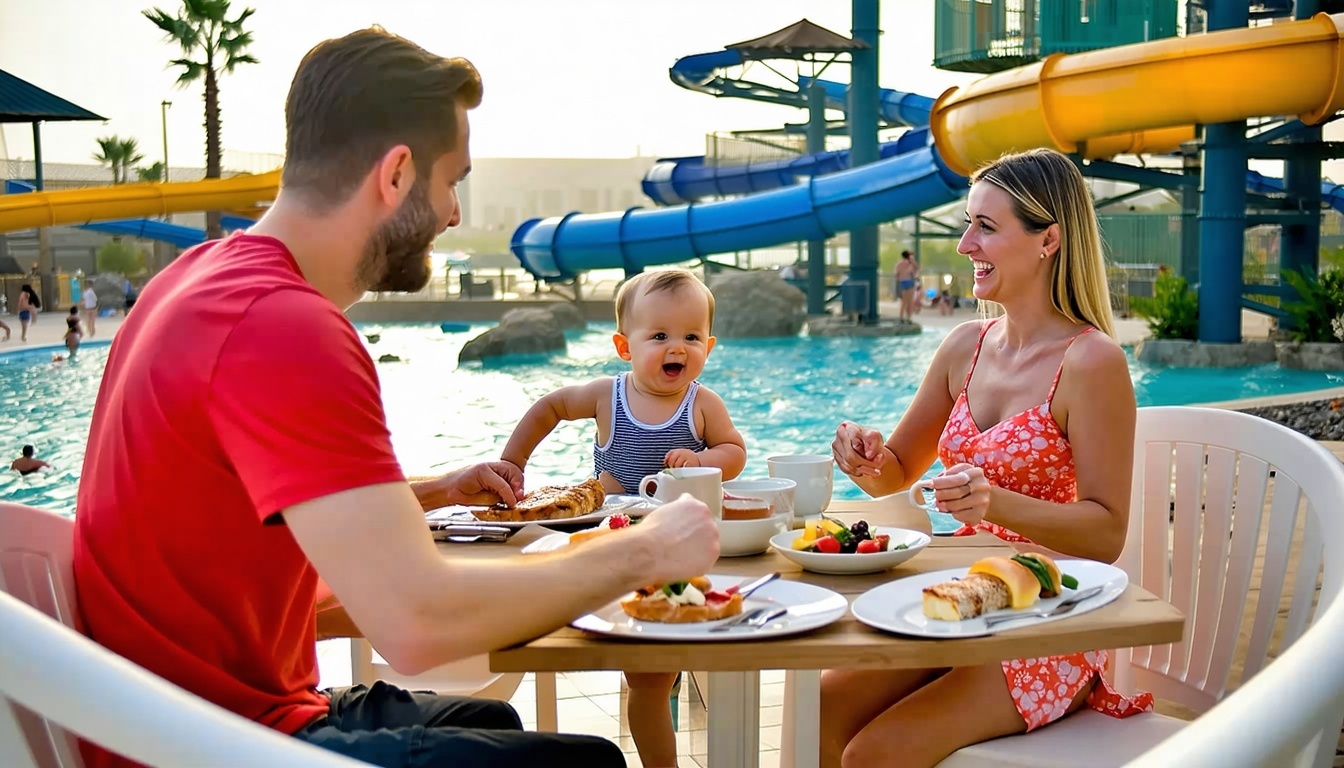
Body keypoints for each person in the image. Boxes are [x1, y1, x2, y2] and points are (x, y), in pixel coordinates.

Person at [73, 27, 720, 768]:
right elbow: (416, 624)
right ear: (397, 173)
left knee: (493, 721)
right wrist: (643, 550)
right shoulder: (282, 325)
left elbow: (264, 518)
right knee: (586, 763)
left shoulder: (196, 280)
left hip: (186, 713)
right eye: (452, 182)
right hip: (206, 745)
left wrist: (437, 490)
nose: (454, 213)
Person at [822, 148, 1150, 768]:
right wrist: (863, 457)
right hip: (964, 599)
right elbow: (894, 472)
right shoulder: (964, 347)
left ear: (1048, 239)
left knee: (874, 754)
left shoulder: (1091, 362)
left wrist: (994, 503)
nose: (965, 243)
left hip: (1050, 617)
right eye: (967, 223)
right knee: (825, 703)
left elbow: (1107, 534)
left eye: (986, 227)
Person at [500, 267, 747, 768]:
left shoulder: (702, 403)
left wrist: (703, 459)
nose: (677, 347)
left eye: (691, 337)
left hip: (680, 552)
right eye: (659, 336)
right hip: (617, 550)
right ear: (624, 346)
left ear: (709, 346)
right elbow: (549, 407)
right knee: (645, 674)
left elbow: (735, 451)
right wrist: (512, 462)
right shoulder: (606, 397)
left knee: (653, 677)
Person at [895, 250, 919, 322]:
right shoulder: (910, 263)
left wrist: (899, 279)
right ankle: (909, 317)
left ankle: (901, 316)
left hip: (902, 282)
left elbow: (897, 274)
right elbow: (917, 268)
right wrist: (912, 260)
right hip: (909, 281)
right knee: (910, 300)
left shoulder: (899, 264)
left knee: (904, 300)